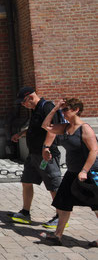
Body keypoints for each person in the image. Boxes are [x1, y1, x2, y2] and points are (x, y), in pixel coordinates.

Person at [39, 98, 98, 246]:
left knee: (96, 206)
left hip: (89, 172)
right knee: (63, 203)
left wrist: (85, 171)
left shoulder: (85, 128)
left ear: (76, 109)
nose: (63, 113)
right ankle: (57, 236)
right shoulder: (65, 127)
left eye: (66, 110)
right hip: (72, 172)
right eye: (62, 110)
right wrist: (54, 109)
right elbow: (45, 126)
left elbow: (94, 150)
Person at [9, 87, 63, 228]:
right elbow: (36, 129)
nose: (22, 105)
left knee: (53, 185)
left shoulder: (47, 107)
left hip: (46, 155)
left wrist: (46, 148)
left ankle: (61, 216)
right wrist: (21, 134)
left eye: (23, 102)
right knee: (26, 181)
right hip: (33, 154)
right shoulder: (35, 110)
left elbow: (53, 129)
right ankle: (25, 213)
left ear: (31, 97)